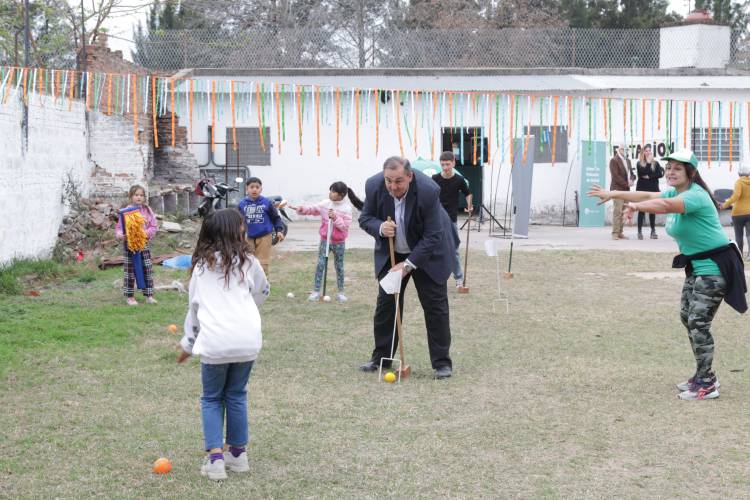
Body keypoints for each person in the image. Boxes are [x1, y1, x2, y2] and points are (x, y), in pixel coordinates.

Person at [588, 149, 747, 401]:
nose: (670, 172)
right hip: (696, 266)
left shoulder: (695, 196)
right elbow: (649, 193)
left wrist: (635, 207)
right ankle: (700, 374)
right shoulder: (678, 191)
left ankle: (707, 382)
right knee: (687, 317)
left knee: (698, 322)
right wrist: (613, 194)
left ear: (690, 173)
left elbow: (662, 205)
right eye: (669, 167)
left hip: (715, 267)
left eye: (677, 168)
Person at [177, 208, 270, 481]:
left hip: (215, 342)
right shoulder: (249, 262)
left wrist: (187, 344)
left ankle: (216, 459)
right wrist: (243, 310)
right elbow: (263, 291)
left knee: (212, 398)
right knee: (237, 394)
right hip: (247, 339)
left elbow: (194, 310)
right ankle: (238, 456)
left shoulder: (202, 269)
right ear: (236, 232)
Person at [358, 156, 459, 380]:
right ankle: (381, 357)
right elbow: (365, 218)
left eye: (398, 181)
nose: (393, 187)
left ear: (410, 176)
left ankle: (442, 363)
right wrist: (380, 228)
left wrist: (409, 264)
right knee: (386, 305)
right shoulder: (374, 185)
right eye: (389, 181)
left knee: (435, 307)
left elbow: (433, 235)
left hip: (428, 252)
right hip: (394, 251)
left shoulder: (428, 190)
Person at [290, 181, 364, 303]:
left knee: (339, 266)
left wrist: (335, 218)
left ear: (341, 195)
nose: (331, 193)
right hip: (325, 240)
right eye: (331, 190)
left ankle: (341, 293)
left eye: (334, 191)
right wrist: (301, 209)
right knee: (320, 265)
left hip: (339, 242)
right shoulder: (325, 204)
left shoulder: (346, 209)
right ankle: (316, 291)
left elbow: (345, 226)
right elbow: (313, 209)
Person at [432, 151, 473, 289]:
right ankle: (436, 277)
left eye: (448, 164)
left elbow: (468, 193)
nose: (445, 167)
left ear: (453, 163)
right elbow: (429, 195)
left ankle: (459, 279)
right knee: (435, 250)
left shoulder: (459, 180)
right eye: (442, 164)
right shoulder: (435, 178)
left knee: (454, 250)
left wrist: (469, 205)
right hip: (436, 220)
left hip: (451, 220)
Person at [114, 185, 158, 306]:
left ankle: (149, 295)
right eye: (136, 195)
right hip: (130, 245)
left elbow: (153, 226)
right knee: (130, 271)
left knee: (147, 269)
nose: (139, 197)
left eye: (141, 195)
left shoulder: (147, 211)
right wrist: (120, 235)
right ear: (131, 196)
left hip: (143, 243)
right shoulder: (126, 211)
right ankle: (130, 297)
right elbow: (118, 228)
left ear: (144, 197)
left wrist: (145, 233)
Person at [237, 177, 286, 276]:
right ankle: (249, 287)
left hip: (264, 237)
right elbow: (237, 220)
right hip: (248, 237)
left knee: (262, 264)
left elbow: (276, 218)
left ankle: (263, 287)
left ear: (261, 189)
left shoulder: (267, 203)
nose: (254, 189)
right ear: (247, 189)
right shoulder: (242, 204)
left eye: (257, 187)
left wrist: (279, 230)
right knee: (248, 262)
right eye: (251, 187)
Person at [635, 145, 664, 240]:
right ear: (643, 153)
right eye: (646, 151)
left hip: (653, 190)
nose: (648, 152)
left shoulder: (655, 163)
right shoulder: (639, 164)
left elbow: (660, 174)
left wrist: (650, 176)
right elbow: (642, 174)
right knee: (641, 210)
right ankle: (639, 232)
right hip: (642, 190)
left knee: (652, 210)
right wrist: (648, 163)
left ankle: (653, 231)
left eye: (649, 151)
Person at [721, 165, 750, 258]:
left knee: (739, 236)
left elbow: (736, 196)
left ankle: (740, 255)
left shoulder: (739, 182)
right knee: (749, 235)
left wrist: (724, 205)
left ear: (739, 174)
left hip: (738, 214)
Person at [609, 146, 636, 240]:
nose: (625, 151)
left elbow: (632, 173)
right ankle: (615, 233)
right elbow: (615, 176)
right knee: (618, 211)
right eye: (623, 149)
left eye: (627, 149)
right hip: (617, 190)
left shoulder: (628, 160)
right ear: (619, 150)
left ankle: (620, 232)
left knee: (624, 212)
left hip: (626, 190)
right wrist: (627, 184)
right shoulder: (614, 160)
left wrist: (632, 179)